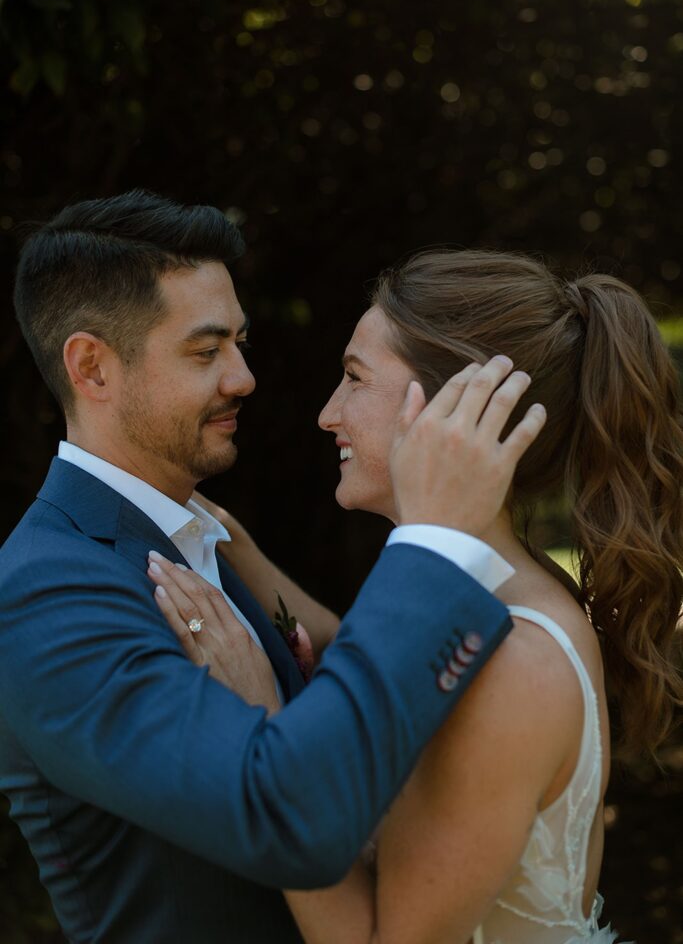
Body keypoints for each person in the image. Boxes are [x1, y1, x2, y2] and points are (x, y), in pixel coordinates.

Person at [0, 195, 547, 944]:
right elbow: (286, 822)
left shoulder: (204, 541)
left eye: (240, 343)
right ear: (93, 367)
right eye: (206, 351)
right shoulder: (45, 591)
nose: (244, 377)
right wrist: (434, 546)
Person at [153, 249, 683, 943]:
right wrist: (235, 550)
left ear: (454, 407)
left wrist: (259, 722)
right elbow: (377, 663)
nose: (326, 414)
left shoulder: (514, 663)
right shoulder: (503, 587)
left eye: (353, 378)